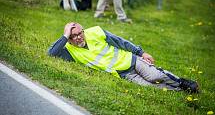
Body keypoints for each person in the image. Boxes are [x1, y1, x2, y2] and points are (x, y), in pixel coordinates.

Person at [48, 22, 199, 93]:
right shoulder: (68, 51)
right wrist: (65, 34)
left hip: (131, 60)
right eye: (73, 36)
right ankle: (181, 91)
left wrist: (141, 53)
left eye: (80, 33)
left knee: (155, 76)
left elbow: (120, 41)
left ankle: (182, 82)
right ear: (68, 39)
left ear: (83, 30)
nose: (79, 37)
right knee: (152, 87)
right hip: (124, 74)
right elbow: (51, 54)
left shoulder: (95, 31)